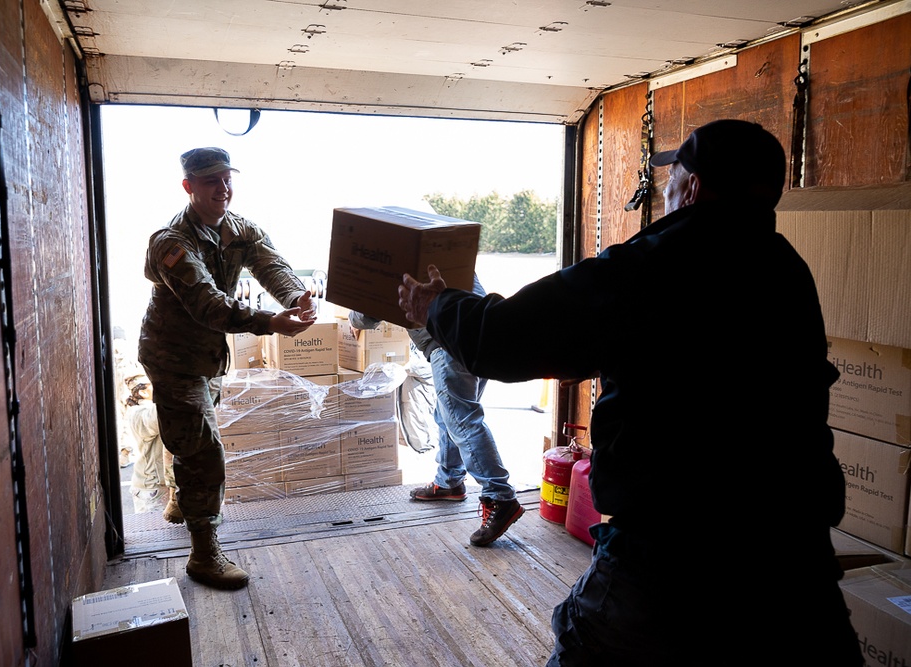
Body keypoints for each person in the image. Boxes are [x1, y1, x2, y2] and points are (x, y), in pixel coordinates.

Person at [397, 120, 862, 666]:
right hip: (793, 561)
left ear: (691, 187)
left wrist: (436, 307)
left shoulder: (662, 261)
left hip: (673, 563)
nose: (666, 192)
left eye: (673, 178)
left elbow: (507, 336)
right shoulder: (785, 268)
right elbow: (702, 364)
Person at [139, 146, 316, 590]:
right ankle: (203, 555)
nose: (223, 188)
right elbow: (206, 303)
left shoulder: (240, 228)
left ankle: (183, 498)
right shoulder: (170, 242)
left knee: (190, 433)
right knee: (203, 450)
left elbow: (271, 265)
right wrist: (268, 323)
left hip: (207, 357)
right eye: (210, 180)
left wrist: (296, 298)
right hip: (173, 355)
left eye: (226, 178)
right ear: (189, 186)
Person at [349, 274, 524, 547]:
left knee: (462, 421)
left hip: (447, 342)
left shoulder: (398, 254)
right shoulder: (441, 240)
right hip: (481, 333)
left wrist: (352, 318)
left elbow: (367, 314)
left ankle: (500, 496)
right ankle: (450, 481)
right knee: (448, 416)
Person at [124, 375, 178, 515]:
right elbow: (159, 417)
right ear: (143, 392)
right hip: (152, 489)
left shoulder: (146, 410)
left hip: (157, 487)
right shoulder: (139, 413)